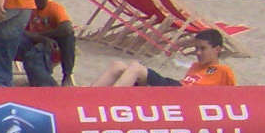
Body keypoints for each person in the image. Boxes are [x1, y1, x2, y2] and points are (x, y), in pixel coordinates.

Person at [98, 27, 236, 88]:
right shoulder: (196, 67)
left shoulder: (223, 70)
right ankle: (85, 99)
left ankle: (110, 103)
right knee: (117, 65)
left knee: (136, 68)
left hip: (181, 93)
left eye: (203, 49)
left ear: (217, 49)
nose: (198, 53)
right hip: (175, 89)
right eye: (196, 48)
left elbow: (235, 97)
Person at [19, 0, 77, 88]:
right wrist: (39, 37)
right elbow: (18, 29)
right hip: (34, 40)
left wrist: (43, 36)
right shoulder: (27, 7)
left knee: (68, 36)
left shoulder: (55, 8)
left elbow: (67, 28)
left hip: (52, 41)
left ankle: (66, 75)